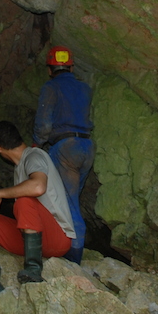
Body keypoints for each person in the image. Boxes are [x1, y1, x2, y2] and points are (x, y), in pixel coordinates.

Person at [0, 120, 78, 308]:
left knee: (25, 201)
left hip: (57, 238)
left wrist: (1, 192)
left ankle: (33, 270)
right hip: (32, 239)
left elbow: (38, 186)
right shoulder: (19, 168)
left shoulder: (34, 156)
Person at [33, 45, 94, 263]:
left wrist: (35, 145)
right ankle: (65, 247)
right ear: (71, 67)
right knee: (72, 199)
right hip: (86, 147)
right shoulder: (85, 88)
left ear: (50, 69)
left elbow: (44, 125)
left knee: (67, 205)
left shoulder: (51, 87)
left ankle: (72, 259)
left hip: (65, 149)